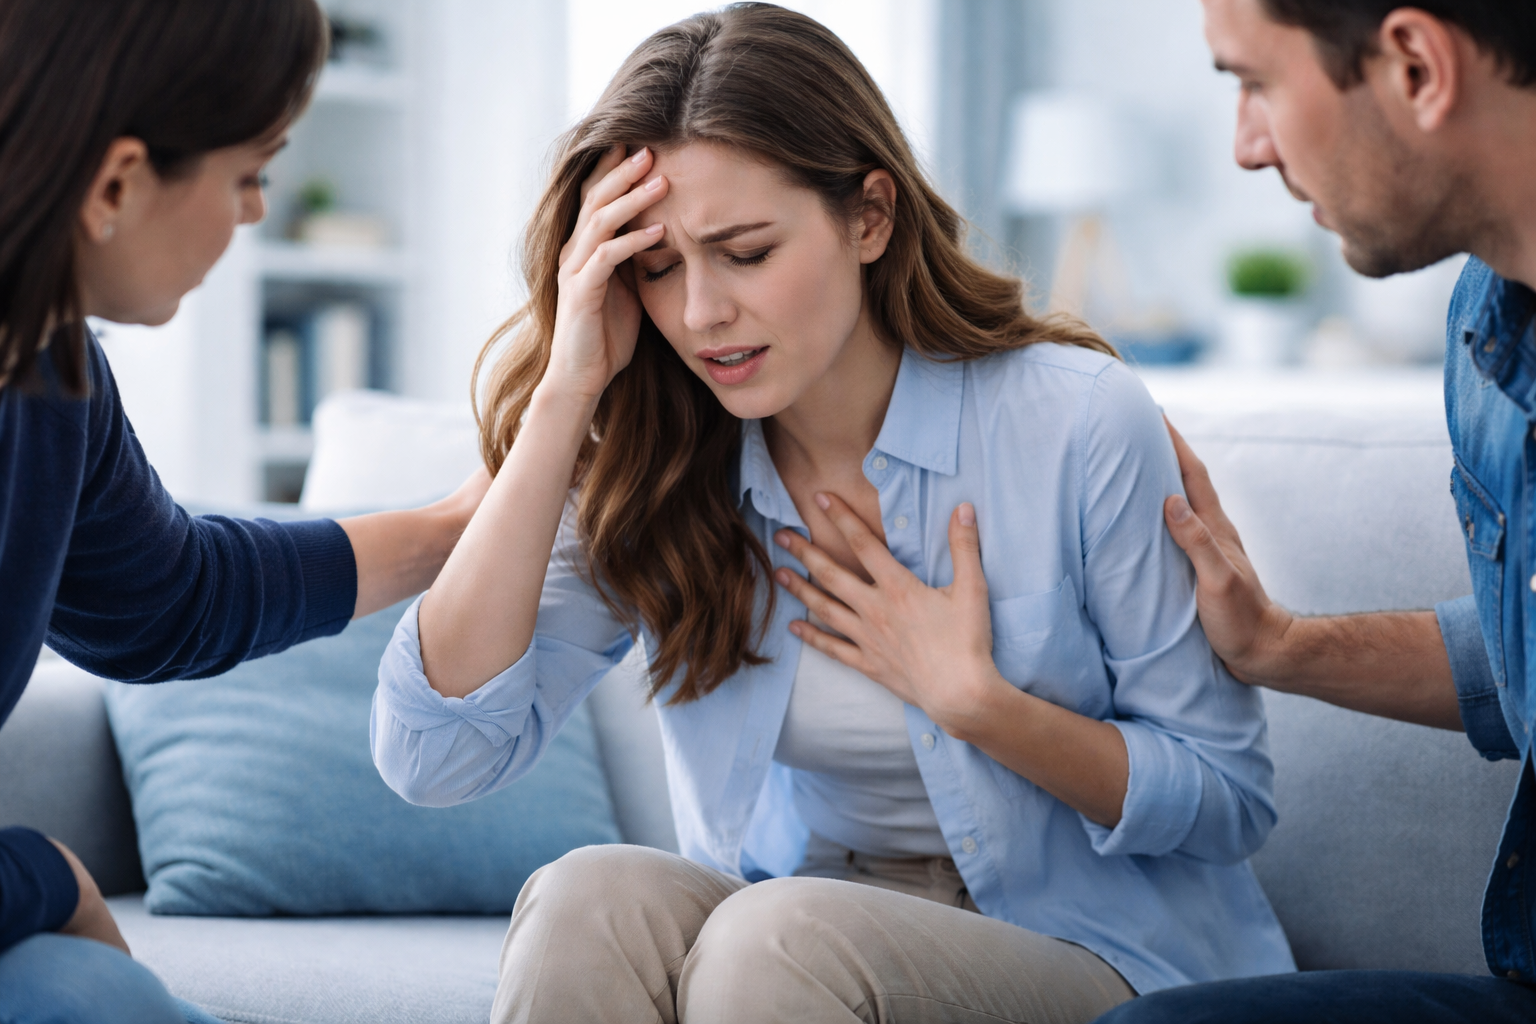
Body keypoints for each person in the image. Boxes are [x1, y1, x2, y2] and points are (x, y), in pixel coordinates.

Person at [370, 5, 1294, 1022]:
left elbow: (1227, 796)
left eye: (746, 252)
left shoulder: (1075, 419)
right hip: (790, 928)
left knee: (775, 938)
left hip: (1094, 951)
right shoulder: (664, 459)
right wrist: (565, 392)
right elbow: (432, 756)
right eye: (659, 266)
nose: (699, 312)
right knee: (585, 899)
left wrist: (980, 704)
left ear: (870, 216)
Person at [0, 2, 487, 1022]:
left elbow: (168, 596)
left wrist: (459, 527)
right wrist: (43, 876)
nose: (257, 211)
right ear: (118, 182)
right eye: (250, 173)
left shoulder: (52, 376)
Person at [1092, 2, 1536, 1023]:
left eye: (1253, 83)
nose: (1247, 148)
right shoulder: (1488, 325)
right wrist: (1281, 646)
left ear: (1416, 66)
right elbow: (1521, 645)